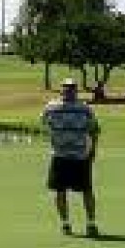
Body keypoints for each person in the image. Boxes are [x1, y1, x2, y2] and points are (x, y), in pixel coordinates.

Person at [41, 78, 101, 237]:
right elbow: (44, 124)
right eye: (66, 88)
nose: (69, 91)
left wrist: (93, 149)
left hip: (80, 156)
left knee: (87, 191)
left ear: (76, 90)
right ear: (61, 90)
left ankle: (91, 223)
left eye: (72, 88)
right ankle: (65, 223)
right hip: (59, 156)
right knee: (60, 191)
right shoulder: (51, 107)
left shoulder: (85, 109)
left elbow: (94, 130)